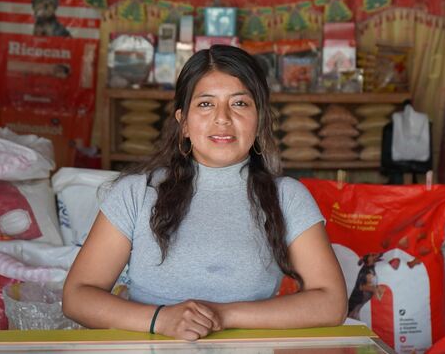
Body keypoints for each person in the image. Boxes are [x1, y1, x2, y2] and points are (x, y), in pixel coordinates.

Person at [62, 45, 348, 341]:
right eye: (205, 104)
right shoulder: (136, 192)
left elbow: (331, 302)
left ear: (259, 119)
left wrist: (222, 315)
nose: (222, 118)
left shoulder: (287, 197)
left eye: (239, 104)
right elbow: (77, 296)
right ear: (183, 122)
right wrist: (161, 320)